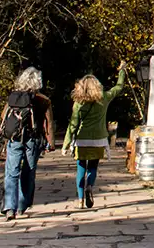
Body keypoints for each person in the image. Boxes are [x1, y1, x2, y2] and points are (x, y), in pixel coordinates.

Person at [63, 62, 128, 209]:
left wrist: (66, 143)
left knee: (81, 167)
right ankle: (90, 186)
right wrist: (122, 71)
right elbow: (118, 88)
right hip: (99, 139)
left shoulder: (78, 102)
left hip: (82, 139)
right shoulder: (104, 98)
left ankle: (80, 200)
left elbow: (73, 124)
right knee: (93, 166)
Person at [0, 67, 54, 220]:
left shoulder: (14, 97)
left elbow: (4, 117)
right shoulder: (43, 100)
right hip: (33, 140)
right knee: (28, 172)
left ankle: (9, 207)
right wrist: (51, 143)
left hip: (14, 138)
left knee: (11, 172)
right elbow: (48, 123)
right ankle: (22, 206)